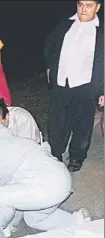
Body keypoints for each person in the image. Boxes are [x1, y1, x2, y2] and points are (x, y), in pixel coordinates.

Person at [0, 123, 92, 238]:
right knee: (34, 218)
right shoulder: (23, 141)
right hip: (63, 181)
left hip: (46, 188)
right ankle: (76, 220)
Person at [44, 0, 104, 172]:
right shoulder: (66, 24)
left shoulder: (101, 32)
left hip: (86, 86)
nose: (83, 9)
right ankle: (55, 155)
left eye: (89, 5)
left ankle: (77, 157)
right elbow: (50, 44)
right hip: (62, 83)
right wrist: (49, 67)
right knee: (57, 122)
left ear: (97, 7)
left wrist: (103, 89)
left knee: (82, 125)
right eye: (80, 4)